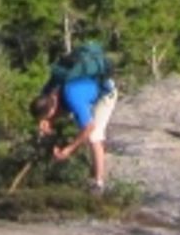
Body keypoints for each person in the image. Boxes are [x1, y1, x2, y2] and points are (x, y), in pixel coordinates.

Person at [34, 40, 118, 191]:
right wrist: (45, 126)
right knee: (77, 124)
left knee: (94, 136)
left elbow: (89, 127)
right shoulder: (47, 93)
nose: (49, 119)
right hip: (86, 91)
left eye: (48, 116)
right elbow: (48, 112)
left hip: (106, 94)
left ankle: (98, 184)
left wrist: (69, 149)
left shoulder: (73, 96)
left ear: (52, 107)